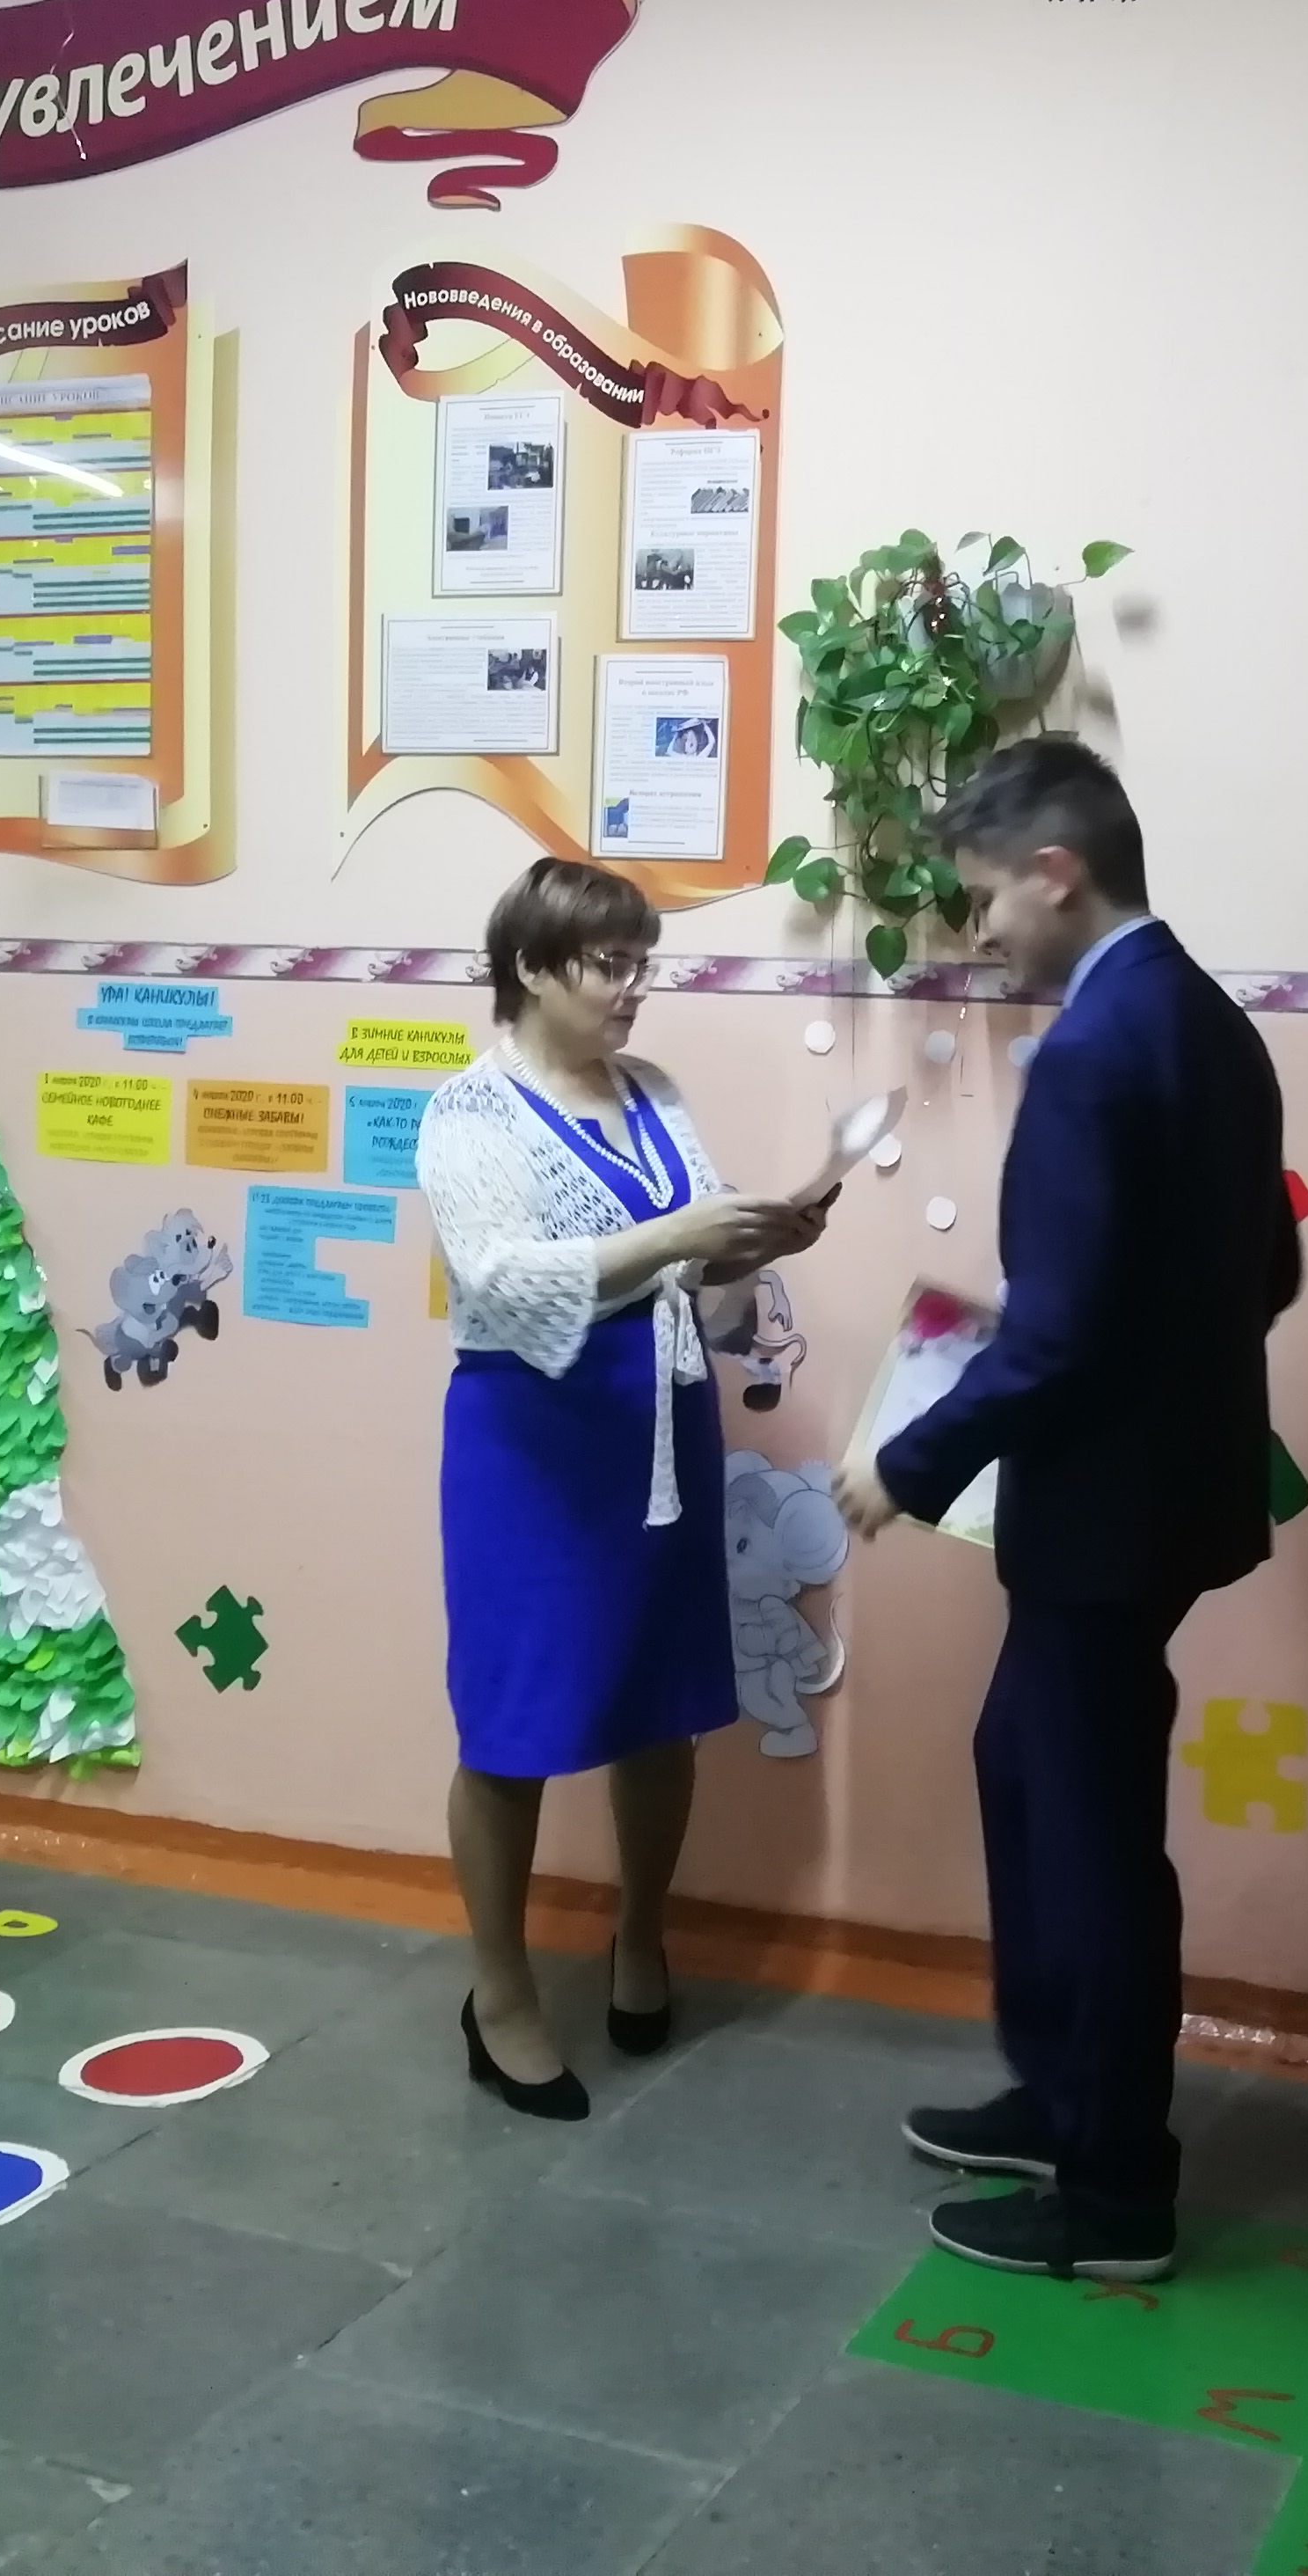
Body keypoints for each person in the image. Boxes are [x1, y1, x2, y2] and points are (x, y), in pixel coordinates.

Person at [834, 736, 1300, 2280]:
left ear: (1057, 872)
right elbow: (1269, 1268)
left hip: (1107, 1514)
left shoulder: (1102, 1047)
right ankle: (1058, 2094)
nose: (979, 935)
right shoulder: (1209, 1020)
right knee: (1025, 1771)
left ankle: (1113, 2194)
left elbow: (1058, 1339)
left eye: (983, 901)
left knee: (1091, 1842)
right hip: (1160, 1496)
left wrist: (906, 1464)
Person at [421, 859, 831, 2120]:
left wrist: (749, 1246)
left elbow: (696, 1284)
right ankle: (499, 1993)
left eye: (642, 962)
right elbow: (497, 1278)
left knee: (663, 1704)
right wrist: (676, 1238)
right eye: (610, 964)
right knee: (513, 1722)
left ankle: (641, 1932)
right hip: (534, 1444)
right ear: (531, 967)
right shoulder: (469, 1111)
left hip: (663, 1419)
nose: (633, 986)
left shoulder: (653, 1092)